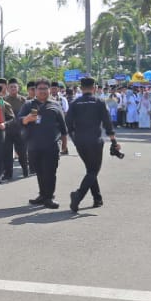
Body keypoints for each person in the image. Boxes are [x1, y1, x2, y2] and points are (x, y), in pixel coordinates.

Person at [66, 77, 116, 211]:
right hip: (95, 141)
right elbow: (107, 123)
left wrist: (74, 139)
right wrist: (114, 141)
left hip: (80, 142)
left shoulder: (75, 103)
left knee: (90, 170)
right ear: (94, 88)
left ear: (81, 88)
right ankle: (78, 195)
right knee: (93, 171)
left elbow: (68, 124)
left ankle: (97, 198)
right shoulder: (99, 102)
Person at [17, 79, 67, 209]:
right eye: (40, 89)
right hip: (34, 146)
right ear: (35, 90)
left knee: (50, 172)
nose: (43, 91)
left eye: (45, 88)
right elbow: (18, 121)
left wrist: (64, 145)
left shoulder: (55, 105)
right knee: (39, 172)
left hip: (51, 146)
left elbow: (63, 127)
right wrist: (27, 119)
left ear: (50, 90)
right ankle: (42, 195)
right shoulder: (28, 105)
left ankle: (49, 197)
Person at [2, 78, 29, 178]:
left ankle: (25, 171)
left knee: (22, 153)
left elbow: (28, 114)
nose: (13, 88)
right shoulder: (3, 100)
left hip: (20, 131)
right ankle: (8, 174)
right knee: (7, 154)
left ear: (18, 88)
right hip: (7, 131)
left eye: (15, 87)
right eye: (11, 87)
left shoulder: (23, 100)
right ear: (8, 88)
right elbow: (0, 113)